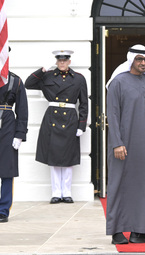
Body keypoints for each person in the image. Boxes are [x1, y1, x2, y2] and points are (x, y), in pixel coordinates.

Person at [106, 44, 145, 244]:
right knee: (120, 186)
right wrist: (116, 143)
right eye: (139, 59)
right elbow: (112, 115)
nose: (143, 63)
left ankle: (140, 231)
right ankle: (117, 232)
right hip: (123, 145)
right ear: (131, 60)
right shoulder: (118, 82)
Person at [25, 50, 88, 204]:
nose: (62, 63)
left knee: (68, 158)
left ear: (69, 62)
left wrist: (82, 125)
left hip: (70, 118)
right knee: (53, 158)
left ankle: (66, 192)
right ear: (56, 61)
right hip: (52, 116)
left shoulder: (79, 79)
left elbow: (84, 104)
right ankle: (56, 193)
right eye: (59, 60)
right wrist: (42, 70)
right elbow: (28, 84)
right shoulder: (47, 76)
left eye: (64, 60)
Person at [0, 47, 28, 223]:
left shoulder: (16, 81)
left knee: (6, 169)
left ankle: (3, 209)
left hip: (8, 126)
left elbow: (22, 110)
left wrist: (19, 134)